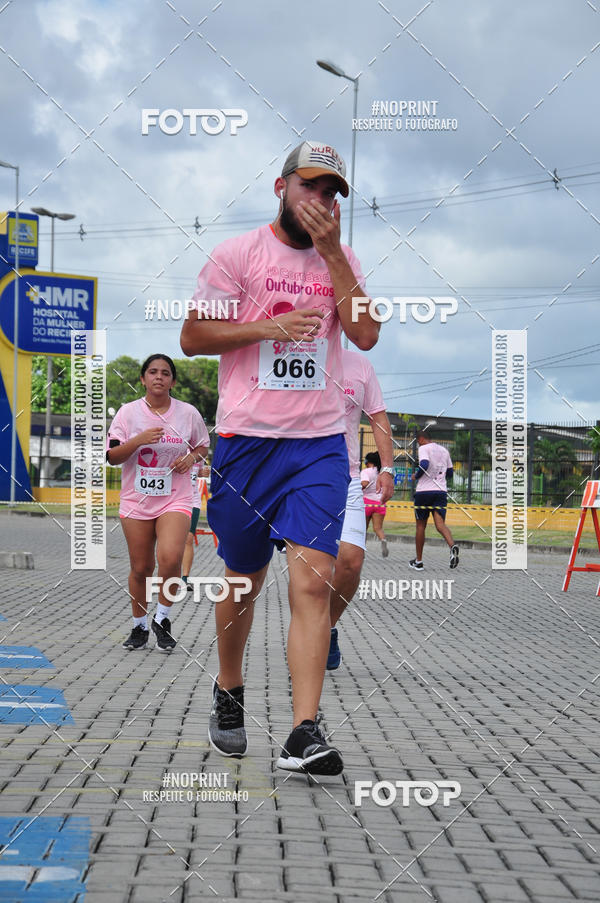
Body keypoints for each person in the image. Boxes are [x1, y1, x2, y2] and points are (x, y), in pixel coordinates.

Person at [180, 140, 379, 774]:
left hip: (319, 446)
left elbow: (366, 333)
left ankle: (303, 731)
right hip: (246, 442)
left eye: (331, 192)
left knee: (313, 581)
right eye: (310, 186)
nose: (320, 200)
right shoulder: (237, 254)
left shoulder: (342, 259)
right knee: (243, 577)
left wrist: (334, 256)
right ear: (281, 187)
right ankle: (229, 688)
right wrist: (267, 327)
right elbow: (192, 336)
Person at [106, 354, 209, 652]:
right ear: (143, 379)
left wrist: (190, 458)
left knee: (171, 558)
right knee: (141, 567)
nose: (159, 377)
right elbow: (112, 457)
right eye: (152, 372)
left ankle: (162, 619)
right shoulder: (128, 413)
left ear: (173, 381)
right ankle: (139, 625)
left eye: (165, 373)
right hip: (136, 500)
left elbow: (202, 445)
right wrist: (138, 440)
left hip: (175, 497)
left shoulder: (188, 413)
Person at [327, 348, 394, 671]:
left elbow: (377, 417)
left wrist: (388, 469)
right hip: (299, 477)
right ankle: (308, 633)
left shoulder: (359, 365)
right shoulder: (289, 353)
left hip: (348, 476)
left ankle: (326, 626)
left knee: (351, 562)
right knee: (310, 566)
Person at [410, 430, 459, 570]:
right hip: (440, 492)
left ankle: (419, 561)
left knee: (420, 526)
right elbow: (450, 473)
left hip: (424, 492)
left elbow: (424, 464)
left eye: (417, 441)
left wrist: (416, 476)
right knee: (440, 525)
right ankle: (452, 546)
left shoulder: (423, 448)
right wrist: (439, 477)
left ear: (421, 439)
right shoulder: (444, 450)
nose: (418, 444)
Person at [182, 461, 211, 591]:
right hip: (173, 499)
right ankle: (168, 575)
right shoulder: (176, 450)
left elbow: (197, 472)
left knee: (189, 538)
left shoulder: (199, 455)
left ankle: (184, 578)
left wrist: (202, 472)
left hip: (192, 501)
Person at [361, 452, 389, 555]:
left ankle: (362, 551)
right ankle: (383, 540)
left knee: (363, 529)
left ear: (367, 461)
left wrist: (358, 489)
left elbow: (364, 483)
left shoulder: (366, 471)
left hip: (367, 503)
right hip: (380, 502)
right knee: (378, 528)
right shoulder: (381, 472)